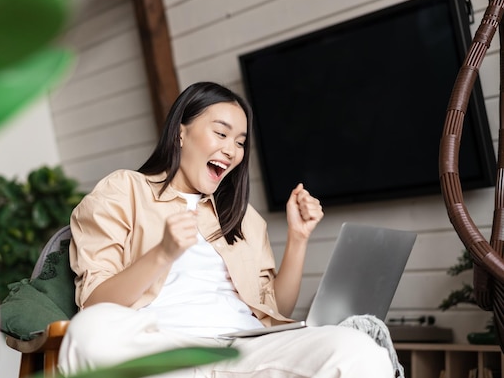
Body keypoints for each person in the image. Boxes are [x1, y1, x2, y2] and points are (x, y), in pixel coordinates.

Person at [58, 82, 395, 377]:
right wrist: (162, 254)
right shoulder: (125, 190)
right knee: (89, 331)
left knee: (358, 349)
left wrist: (298, 238)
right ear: (181, 132)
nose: (232, 150)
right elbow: (96, 302)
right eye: (220, 133)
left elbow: (275, 309)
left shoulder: (242, 216)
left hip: (245, 348)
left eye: (240, 142)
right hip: (162, 347)